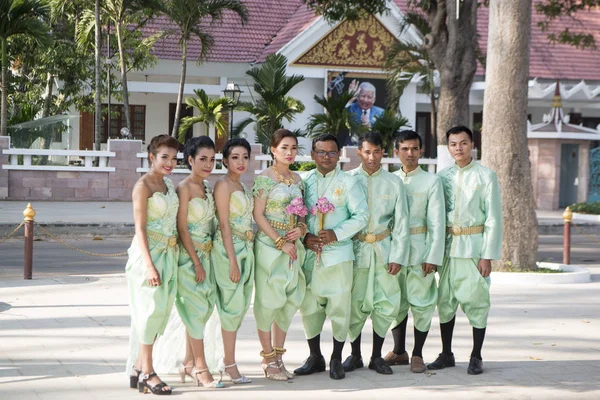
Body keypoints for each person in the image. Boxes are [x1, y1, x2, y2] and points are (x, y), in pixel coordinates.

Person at [428, 126, 502, 375]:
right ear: (448, 147)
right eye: (453, 144)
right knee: (445, 301)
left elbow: (493, 218)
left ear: (472, 144)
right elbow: (435, 217)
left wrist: (487, 256)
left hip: (473, 249)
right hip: (448, 249)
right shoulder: (442, 177)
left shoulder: (485, 176)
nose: (458, 148)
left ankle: (476, 355)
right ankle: (447, 353)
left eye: (463, 143)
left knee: (477, 301)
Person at [294, 134, 369, 380]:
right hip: (310, 256)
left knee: (340, 306)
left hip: (339, 255)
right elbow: (295, 215)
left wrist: (336, 233)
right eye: (321, 152)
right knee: (309, 306)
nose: (326, 157)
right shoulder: (302, 181)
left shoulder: (349, 182)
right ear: (312, 154)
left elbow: (361, 216)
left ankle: (337, 357)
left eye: (332, 153)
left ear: (340, 155)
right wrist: (304, 237)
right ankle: (315, 357)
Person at [344, 132, 410, 375]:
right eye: (367, 152)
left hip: (384, 250)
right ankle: (354, 355)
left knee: (385, 302)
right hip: (356, 250)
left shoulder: (394, 182)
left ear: (384, 152)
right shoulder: (348, 179)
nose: (372, 157)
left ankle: (376, 357)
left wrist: (398, 256)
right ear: (359, 153)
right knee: (355, 302)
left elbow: (401, 222)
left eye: (377, 152)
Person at [384, 130, 445, 373]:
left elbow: (437, 223)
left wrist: (432, 256)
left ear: (421, 151)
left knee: (421, 302)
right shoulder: (389, 180)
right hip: (394, 251)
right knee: (395, 301)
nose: (410, 153)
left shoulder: (432, 181)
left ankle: (418, 354)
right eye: (405, 149)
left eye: (414, 149)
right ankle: (399, 351)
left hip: (421, 249)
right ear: (396, 152)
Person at [126, 134, 180, 395]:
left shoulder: (169, 185)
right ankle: (148, 372)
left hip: (169, 255)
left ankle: (138, 366)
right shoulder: (142, 186)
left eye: (173, 158)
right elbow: (140, 229)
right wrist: (149, 265)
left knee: (161, 313)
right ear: (152, 157)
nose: (170, 162)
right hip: (148, 256)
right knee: (148, 313)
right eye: (164, 157)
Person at [252, 129, 307, 381]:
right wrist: (279, 241)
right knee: (268, 300)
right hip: (270, 246)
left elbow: (302, 214)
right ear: (273, 150)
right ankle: (267, 358)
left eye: (293, 148)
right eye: (284, 147)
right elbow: (258, 214)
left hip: (294, 247)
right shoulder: (264, 178)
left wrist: (301, 229)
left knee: (288, 300)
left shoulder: (298, 180)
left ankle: (280, 357)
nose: (289, 152)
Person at [174, 136, 224, 388]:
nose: (208, 164)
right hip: (189, 258)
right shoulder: (184, 187)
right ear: (190, 159)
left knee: (201, 312)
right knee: (194, 310)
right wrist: (195, 262)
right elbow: (182, 228)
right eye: (202, 159)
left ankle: (188, 362)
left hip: (208, 255)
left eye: (212, 159)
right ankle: (201, 367)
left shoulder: (207, 187)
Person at [211, 138, 254, 384]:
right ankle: (229, 364)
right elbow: (224, 225)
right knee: (230, 308)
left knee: (238, 308)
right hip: (228, 251)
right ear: (225, 160)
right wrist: (232, 260)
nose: (240, 162)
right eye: (235, 157)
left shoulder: (242, 186)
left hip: (245, 248)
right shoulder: (223, 185)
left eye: (245, 157)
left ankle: (225, 360)